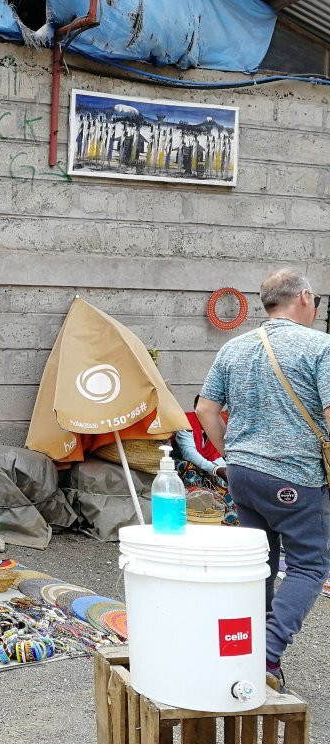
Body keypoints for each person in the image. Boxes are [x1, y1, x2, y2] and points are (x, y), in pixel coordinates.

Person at [197, 268, 330, 692]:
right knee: (309, 565)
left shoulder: (234, 347)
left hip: (243, 475)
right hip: (296, 477)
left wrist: (231, 455)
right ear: (305, 298)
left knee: (260, 565)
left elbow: (205, 410)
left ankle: (245, 649)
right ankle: (266, 656)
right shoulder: (321, 346)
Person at [173, 395, 237, 525]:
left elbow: (219, 454)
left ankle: (227, 522)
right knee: (190, 469)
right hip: (184, 465)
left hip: (209, 465)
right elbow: (189, 453)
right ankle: (194, 515)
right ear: (196, 408)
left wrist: (218, 469)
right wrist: (214, 469)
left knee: (226, 481)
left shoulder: (218, 426)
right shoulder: (186, 422)